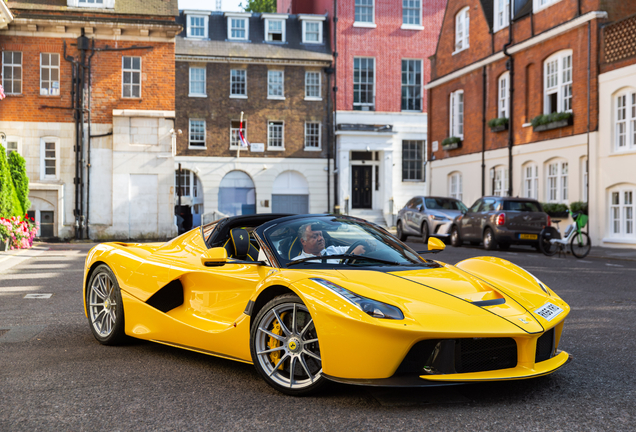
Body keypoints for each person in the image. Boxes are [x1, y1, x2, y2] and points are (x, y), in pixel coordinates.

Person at [292, 222, 366, 264]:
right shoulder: (296, 263)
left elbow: (359, 249)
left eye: (321, 235)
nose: (320, 238)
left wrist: (369, 245)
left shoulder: (334, 250)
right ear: (303, 241)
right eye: (315, 236)